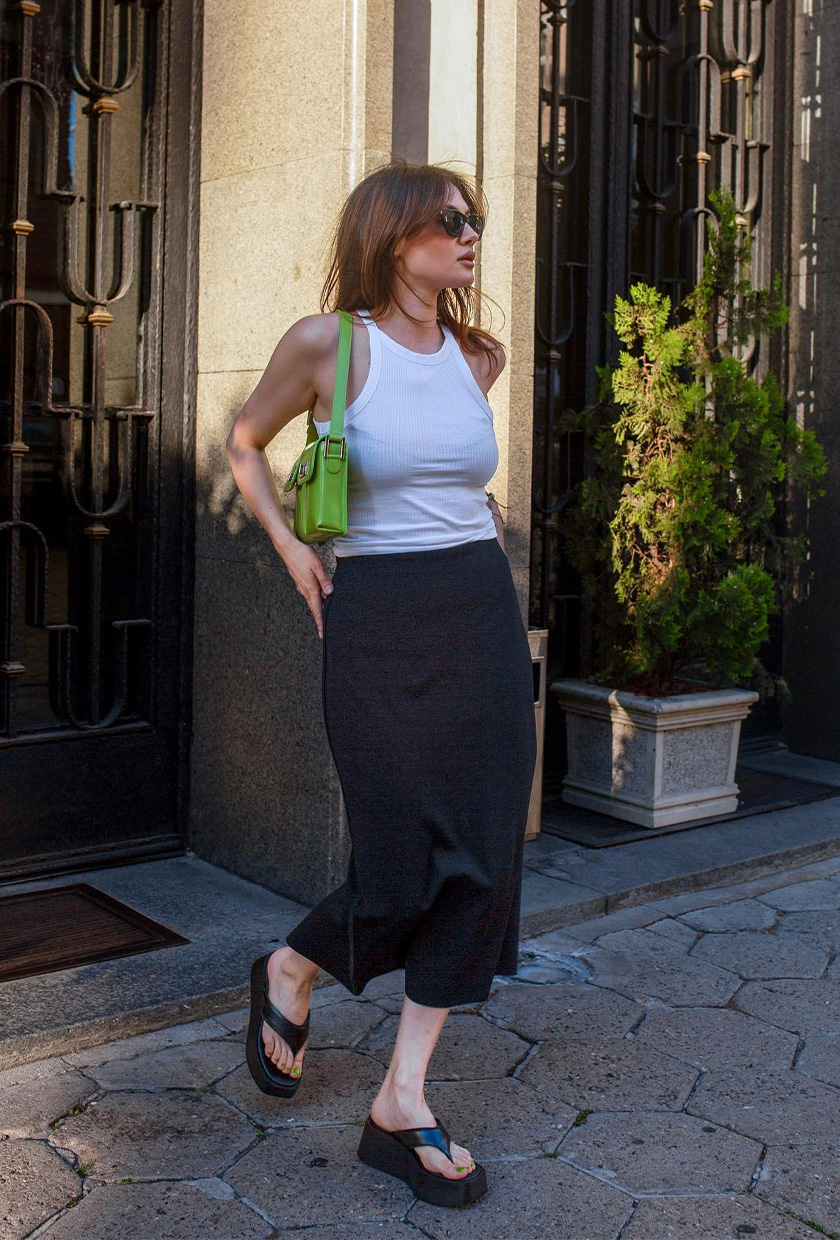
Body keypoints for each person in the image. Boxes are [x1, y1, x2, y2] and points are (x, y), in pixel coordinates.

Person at [225, 160, 538, 1209]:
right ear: (393, 235)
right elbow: (244, 443)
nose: (468, 236)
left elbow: (453, 478)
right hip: (374, 618)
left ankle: (403, 1097)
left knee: (485, 854)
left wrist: (474, 521)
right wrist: (292, 549)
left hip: (477, 616)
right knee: (403, 850)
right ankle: (295, 967)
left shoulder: (477, 354)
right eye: (447, 221)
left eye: (473, 220)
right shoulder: (329, 344)